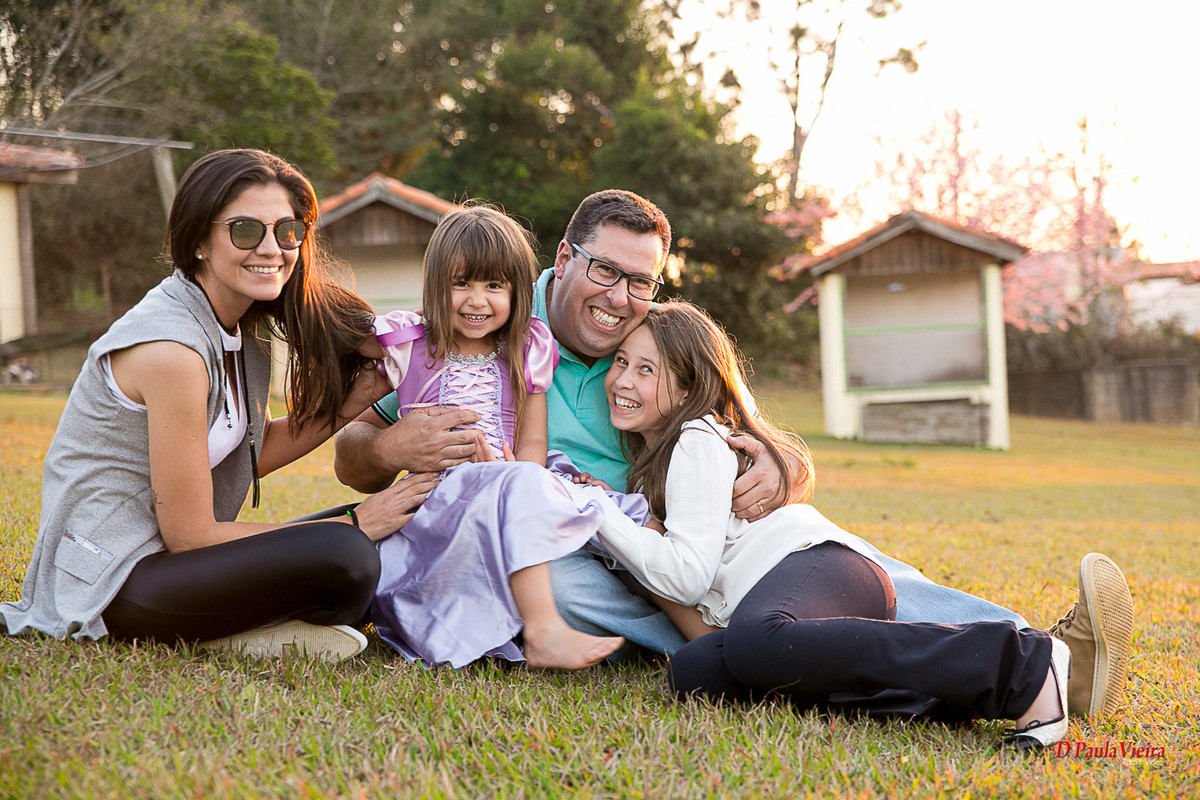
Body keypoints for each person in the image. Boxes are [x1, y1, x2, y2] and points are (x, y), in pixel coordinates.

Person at [334, 190, 1133, 718]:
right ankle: (738, 648)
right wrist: (394, 444)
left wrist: (783, 461)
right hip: (570, 548)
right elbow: (352, 452)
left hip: (684, 542)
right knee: (574, 577)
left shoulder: (652, 343)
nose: (619, 298)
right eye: (606, 271)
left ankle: (1043, 648)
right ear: (566, 258)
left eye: (640, 283)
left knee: (829, 563)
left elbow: (751, 430)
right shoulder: (493, 320)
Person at [581, 300, 1126, 748]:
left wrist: (598, 516)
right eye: (622, 362)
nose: (622, 380)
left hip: (816, 568)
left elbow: (687, 577)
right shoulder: (651, 469)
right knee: (697, 672)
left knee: (756, 644)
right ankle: (960, 697)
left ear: (687, 385)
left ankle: (1026, 663)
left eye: (645, 369)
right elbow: (697, 604)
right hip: (786, 603)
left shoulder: (697, 438)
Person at [0, 149, 438, 661]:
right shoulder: (172, 351)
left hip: (177, 567)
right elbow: (189, 535)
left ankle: (241, 628)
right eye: (246, 230)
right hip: (116, 581)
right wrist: (357, 524)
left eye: (288, 231)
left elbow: (250, 451)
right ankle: (238, 631)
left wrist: (361, 393)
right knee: (347, 551)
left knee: (395, 530)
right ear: (200, 240)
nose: (272, 248)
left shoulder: (239, 325)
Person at [366, 205, 629, 669]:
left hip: (506, 482)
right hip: (437, 495)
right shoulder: (410, 347)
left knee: (590, 503)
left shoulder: (526, 350)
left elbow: (532, 444)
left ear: (516, 292)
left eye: (494, 286)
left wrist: (510, 479)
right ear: (435, 285)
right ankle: (543, 629)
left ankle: (686, 613)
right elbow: (350, 405)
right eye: (460, 282)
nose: (476, 300)